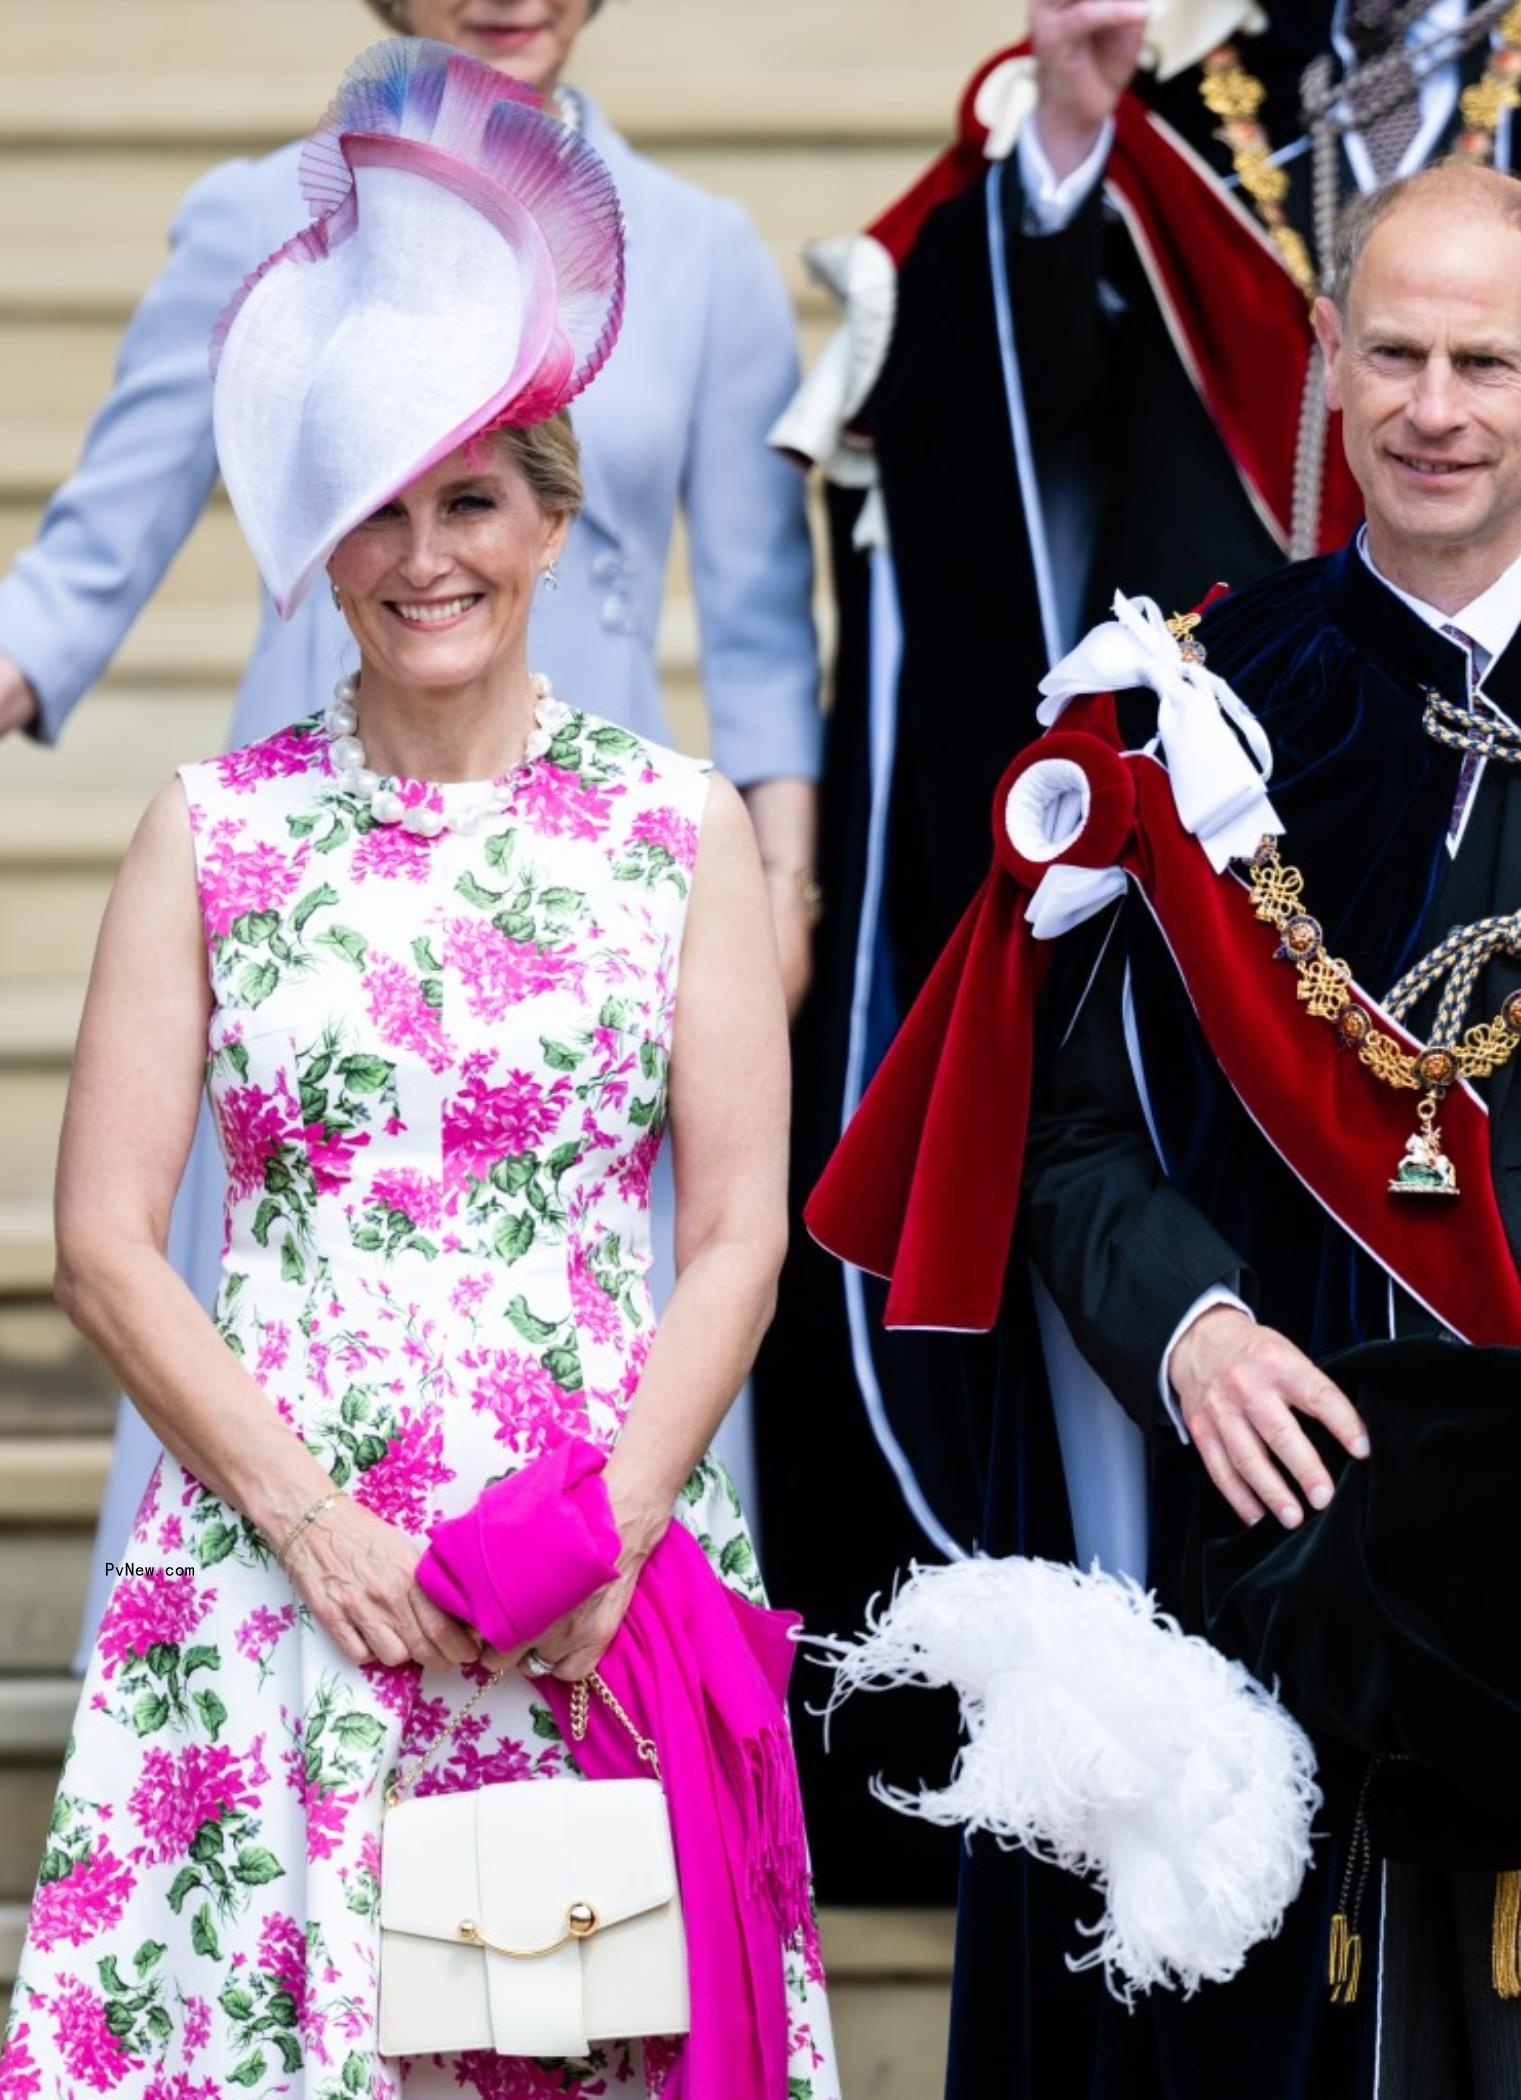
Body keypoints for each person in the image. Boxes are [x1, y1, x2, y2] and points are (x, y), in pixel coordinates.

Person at [754, 0, 1521, 1897]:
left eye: (1485, 359)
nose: (1436, 405)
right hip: (1273, 1565)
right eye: (1395, 355)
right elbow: (1057, 1136)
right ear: (1333, 360)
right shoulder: (1177, 718)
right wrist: (1196, 1326)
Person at [0, 43, 839, 2099]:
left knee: (545, 2064)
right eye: (375, 509)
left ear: (553, 521)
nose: (424, 554)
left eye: (472, 498)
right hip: (279, 1587)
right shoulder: (214, 832)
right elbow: (105, 1243)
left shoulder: (676, 835)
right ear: (320, 546)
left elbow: (738, 1231)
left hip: (580, 1585)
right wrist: (306, 1525)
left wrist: (619, 1525)